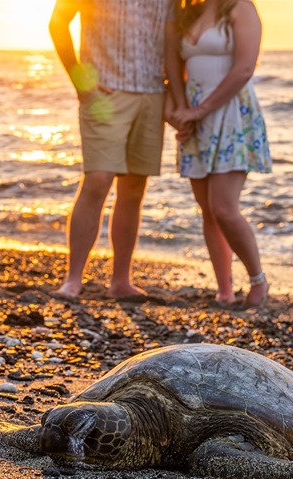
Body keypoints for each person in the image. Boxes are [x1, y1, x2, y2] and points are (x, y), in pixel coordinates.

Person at [48, 0, 171, 299]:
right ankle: (73, 280)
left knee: (133, 188)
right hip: (105, 91)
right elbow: (58, 22)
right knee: (98, 179)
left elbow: (174, 35)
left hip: (153, 93)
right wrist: (80, 80)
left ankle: (120, 281)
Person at [165, 0, 272, 308]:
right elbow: (173, 68)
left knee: (224, 208)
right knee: (208, 212)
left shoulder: (240, 7)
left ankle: (258, 280)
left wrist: (201, 110)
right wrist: (180, 112)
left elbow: (244, 69)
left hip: (231, 114)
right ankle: (224, 290)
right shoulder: (189, 12)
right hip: (196, 118)